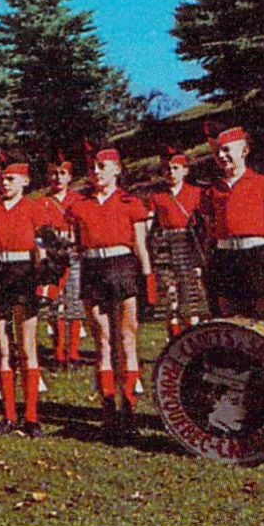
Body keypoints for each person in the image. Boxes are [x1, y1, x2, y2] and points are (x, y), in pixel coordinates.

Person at [67, 148, 155, 441]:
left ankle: (129, 408)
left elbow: (141, 247)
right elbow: (76, 247)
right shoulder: (79, 207)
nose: (96, 172)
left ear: (116, 169)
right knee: (102, 340)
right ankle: (108, 409)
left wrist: (148, 282)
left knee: (127, 339)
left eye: (102, 166)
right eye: (92, 167)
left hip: (123, 267)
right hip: (93, 267)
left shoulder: (131, 203)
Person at [198, 126, 264, 328]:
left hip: (259, 257)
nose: (221, 156)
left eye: (226, 150)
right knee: (231, 324)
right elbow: (209, 235)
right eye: (217, 152)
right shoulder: (212, 191)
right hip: (225, 260)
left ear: (244, 151)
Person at [0, 159, 47, 436]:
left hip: (23, 273)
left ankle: (31, 417)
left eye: (11, 179)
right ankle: (8, 415)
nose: (5, 184)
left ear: (25, 182)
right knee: (3, 347)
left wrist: (42, 285)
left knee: (26, 344)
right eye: (3, 179)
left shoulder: (34, 208)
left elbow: (42, 251)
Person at [144, 148, 207, 337]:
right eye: (167, 169)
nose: (171, 173)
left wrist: (200, 257)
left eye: (175, 168)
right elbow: (149, 227)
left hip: (189, 246)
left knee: (191, 296)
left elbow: (204, 226)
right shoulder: (157, 197)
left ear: (185, 170)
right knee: (170, 297)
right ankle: (174, 338)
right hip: (165, 247)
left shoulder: (196, 193)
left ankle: (192, 339)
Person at [35, 153, 87, 367]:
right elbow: (37, 234)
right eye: (53, 173)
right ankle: (58, 349)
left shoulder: (79, 200)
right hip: (52, 257)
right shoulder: (41, 202)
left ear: (70, 177)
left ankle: (73, 351)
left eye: (62, 173)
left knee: (74, 301)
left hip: (74, 253)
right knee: (54, 303)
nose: (57, 177)